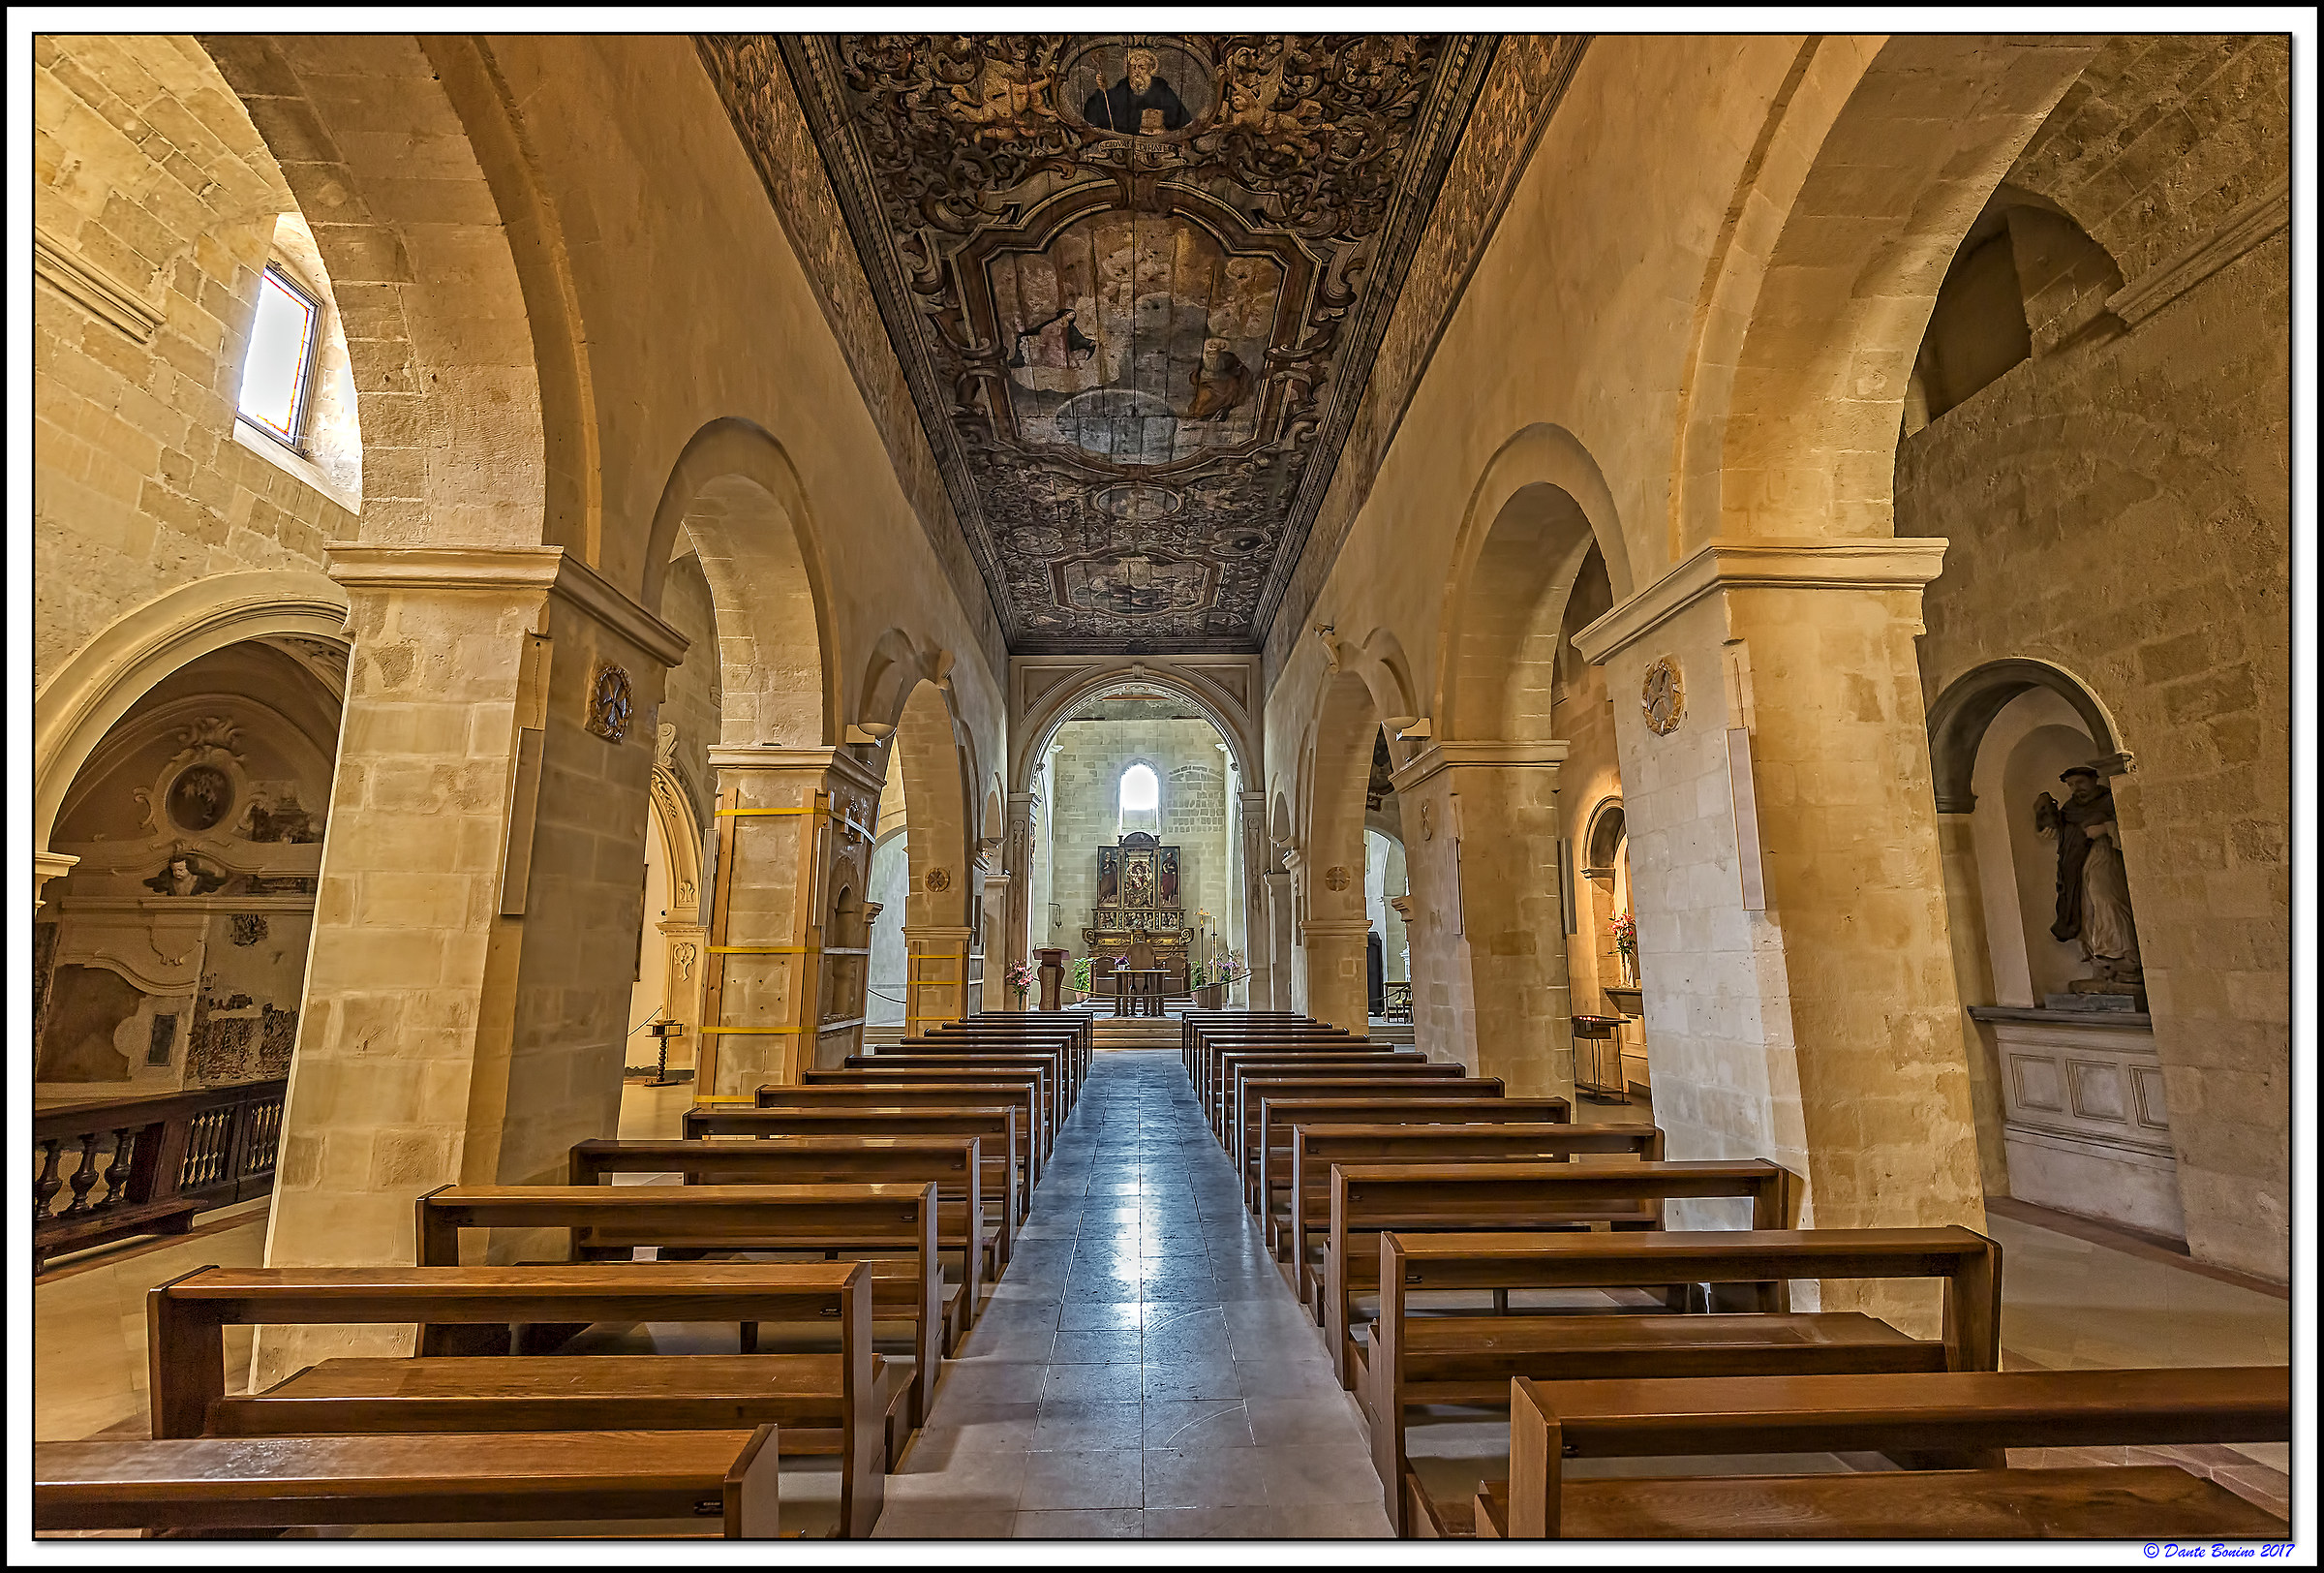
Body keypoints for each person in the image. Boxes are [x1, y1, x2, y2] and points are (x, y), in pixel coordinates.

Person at [1084, 47, 1188, 134]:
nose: (1136, 72)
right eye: (1132, 67)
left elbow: (1181, 120)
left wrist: (1163, 129)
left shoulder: (1161, 89)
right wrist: (1102, 90)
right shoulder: (1121, 88)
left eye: (1141, 67)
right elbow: (1095, 112)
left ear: (1150, 69)